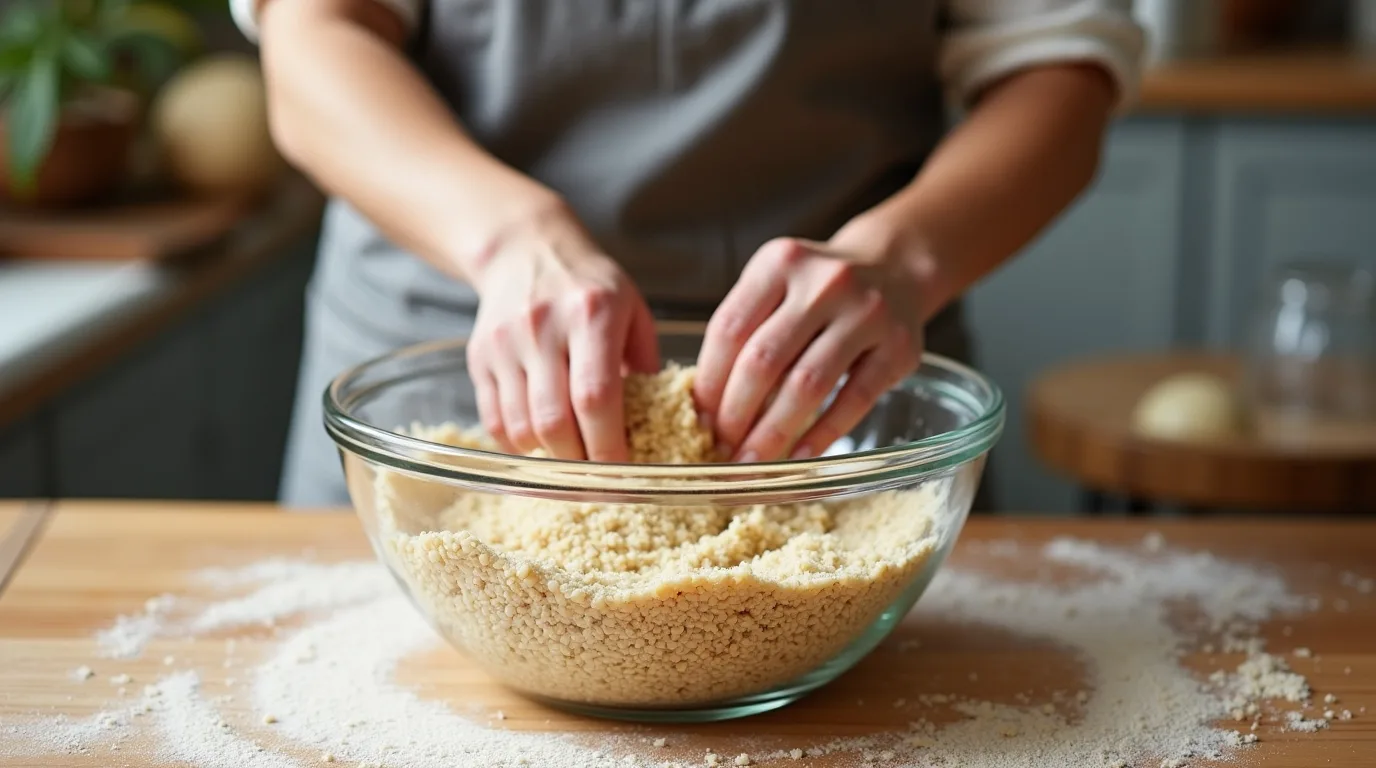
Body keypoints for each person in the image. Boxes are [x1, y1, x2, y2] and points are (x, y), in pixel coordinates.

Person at [232, 0, 1144, 508]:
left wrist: (903, 260)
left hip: (842, 413)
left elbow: (1056, 66)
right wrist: (510, 240)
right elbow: (315, 33)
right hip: (444, 385)